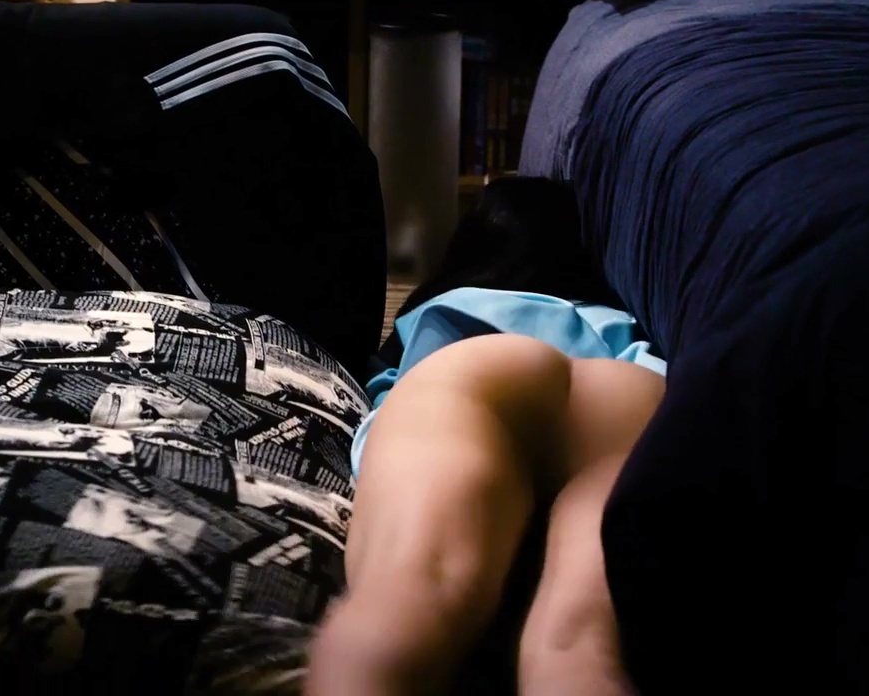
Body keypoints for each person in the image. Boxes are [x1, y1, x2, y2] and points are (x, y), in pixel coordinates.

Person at [188, 177, 663, 696]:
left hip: (479, 370)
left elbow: (378, 391)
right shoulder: (620, 312)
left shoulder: (444, 307)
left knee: (408, 597)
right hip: (627, 389)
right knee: (580, 647)